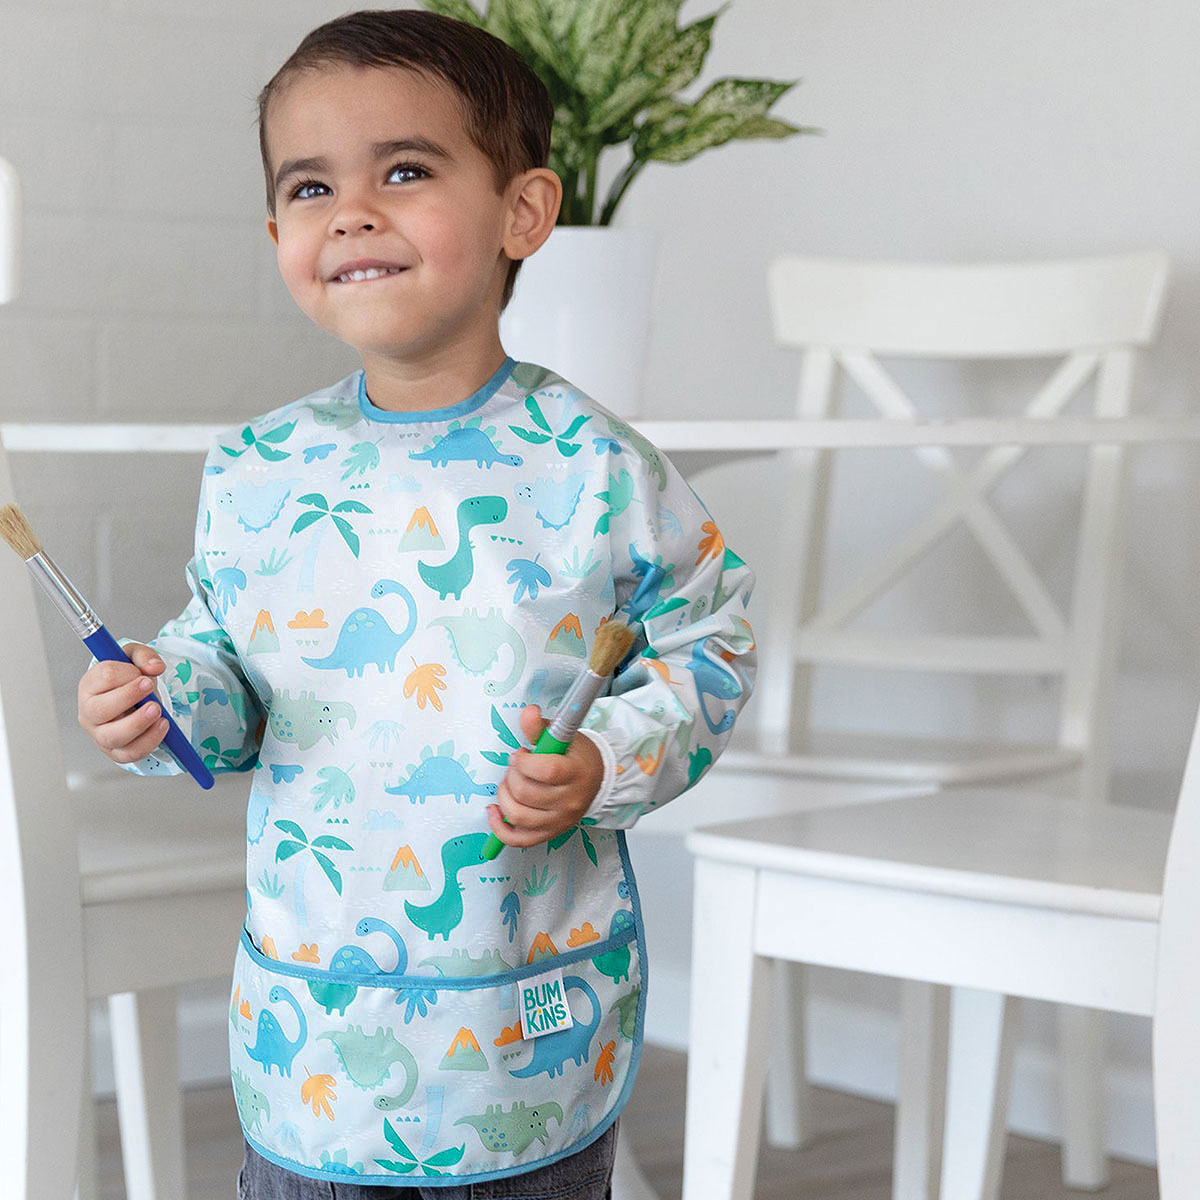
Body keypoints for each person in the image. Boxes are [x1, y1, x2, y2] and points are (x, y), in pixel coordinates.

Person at [76, 9, 756, 1196]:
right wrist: (162, 700)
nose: (351, 212)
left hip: (520, 1024)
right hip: (316, 1036)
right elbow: (229, 677)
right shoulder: (257, 469)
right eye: (310, 186)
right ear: (278, 234)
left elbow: (711, 640)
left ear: (522, 213)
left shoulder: (597, 467)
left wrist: (606, 756)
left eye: (402, 171)